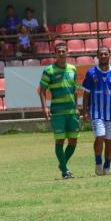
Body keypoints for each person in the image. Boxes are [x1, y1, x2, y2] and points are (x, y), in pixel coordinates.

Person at [81, 45, 111, 176]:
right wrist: (84, 111)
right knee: (100, 136)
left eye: (105, 54)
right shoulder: (91, 73)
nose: (103, 56)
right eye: (101, 54)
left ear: (110, 55)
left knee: (109, 140)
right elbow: (86, 94)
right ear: (97, 57)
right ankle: (98, 163)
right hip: (96, 112)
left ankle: (107, 165)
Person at [37, 43, 81, 179]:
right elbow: (42, 90)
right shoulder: (49, 70)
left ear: (67, 52)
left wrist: (77, 107)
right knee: (60, 142)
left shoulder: (73, 69)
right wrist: (44, 107)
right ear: (55, 54)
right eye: (59, 51)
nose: (61, 53)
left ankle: (62, 164)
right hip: (57, 112)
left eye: (63, 51)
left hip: (72, 111)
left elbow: (74, 90)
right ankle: (65, 171)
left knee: (73, 141)